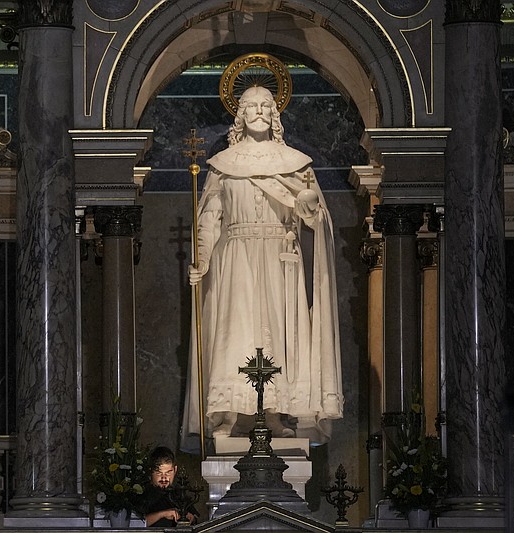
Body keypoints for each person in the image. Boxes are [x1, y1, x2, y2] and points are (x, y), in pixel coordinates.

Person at [181, 85, 343, 452]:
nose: (257, 111)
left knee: (278, 334)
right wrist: (202, 259)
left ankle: (274, 415)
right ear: (239, 114)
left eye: (264, 106)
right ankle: (235, 414)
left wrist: (309, 205)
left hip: (279, 259)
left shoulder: (297, 164)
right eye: (250, 106)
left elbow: (315, 220)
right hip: (236, 259)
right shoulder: (223, 164)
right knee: (236, 333)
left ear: (275, 114)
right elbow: (209, 218)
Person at [138, 446, 198, 527]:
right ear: (150, 471)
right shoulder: (142, 494)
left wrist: (190, 517)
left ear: (175, 470)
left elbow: (195, 518)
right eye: (159, 473)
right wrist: (163, 514)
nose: (164, 478)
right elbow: (134, 524)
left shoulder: (179, 494)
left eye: (168, 473)